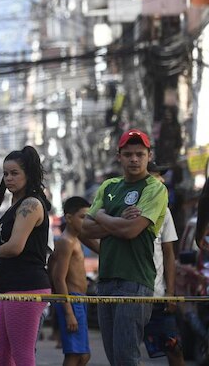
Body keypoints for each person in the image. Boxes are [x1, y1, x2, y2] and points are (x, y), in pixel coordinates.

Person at [82, 128, 168, 365]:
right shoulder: (109, 186)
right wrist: (119, 220)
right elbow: (85, 230)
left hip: (135, 280)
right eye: (128, 154)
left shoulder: (155, 188)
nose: (134, 159)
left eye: (139, 154)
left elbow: (131, 231)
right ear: (119, 156)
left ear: (148, 156)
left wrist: (102, 216)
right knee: (114, 356)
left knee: (126, 357)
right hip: (106, 279)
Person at [0, 145, 52, 366]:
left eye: (14, 173)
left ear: (28, 175)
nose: (8, 179)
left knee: (22, 355)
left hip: (27, 287)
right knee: (0, 355)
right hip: (9, 288)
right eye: (5, 174)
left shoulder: (31, 204)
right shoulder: (13, 207)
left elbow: (14, 247)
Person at [133, 162, 184, 365]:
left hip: (158, 298)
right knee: (129, 353)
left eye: (161, 176)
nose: (161, 180)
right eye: (156, 176)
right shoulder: (124, 207)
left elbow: (169, 253)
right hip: (130, 296)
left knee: (174, 348)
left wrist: (170, 293)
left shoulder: (165, 212)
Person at [51, 196, 92, 366]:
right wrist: (68, 313)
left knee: (83, 355)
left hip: (80, 300)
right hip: (72, 300)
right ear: (68, 218)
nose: (86, 221)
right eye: (82, 217)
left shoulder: (76, 238)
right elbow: (59, 279)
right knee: (75, 355)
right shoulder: (66, 241)